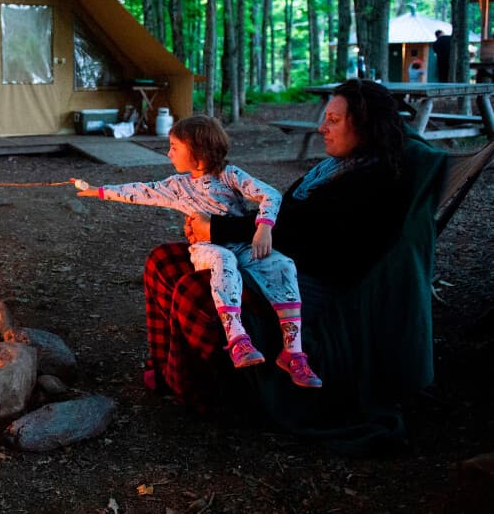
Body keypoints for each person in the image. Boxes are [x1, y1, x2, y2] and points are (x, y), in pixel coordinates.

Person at [142, 79, 447, 450]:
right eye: (325, 118)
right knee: (164, 261)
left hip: (306, 281)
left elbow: (306, 240)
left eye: (334, 120)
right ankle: (168, 374)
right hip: (278, 257)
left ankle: (208, 399)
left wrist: (218, 228)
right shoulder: (338, 168)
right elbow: (290, 220)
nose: (322, 127)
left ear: (365, 126)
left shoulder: (376, 181)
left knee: (194, 291)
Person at [74, 115, 322, 388]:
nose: (168, 152)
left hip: (242, 245)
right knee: (222, 259)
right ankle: (237, 338)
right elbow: (141, 191)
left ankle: (293, 352)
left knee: (283, 264)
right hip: (207, 248)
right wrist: (98, 191)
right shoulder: (178, 187)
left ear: (199, 153)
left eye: (174, 147)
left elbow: (271, 194)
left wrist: (263, 228)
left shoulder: (230, 176)